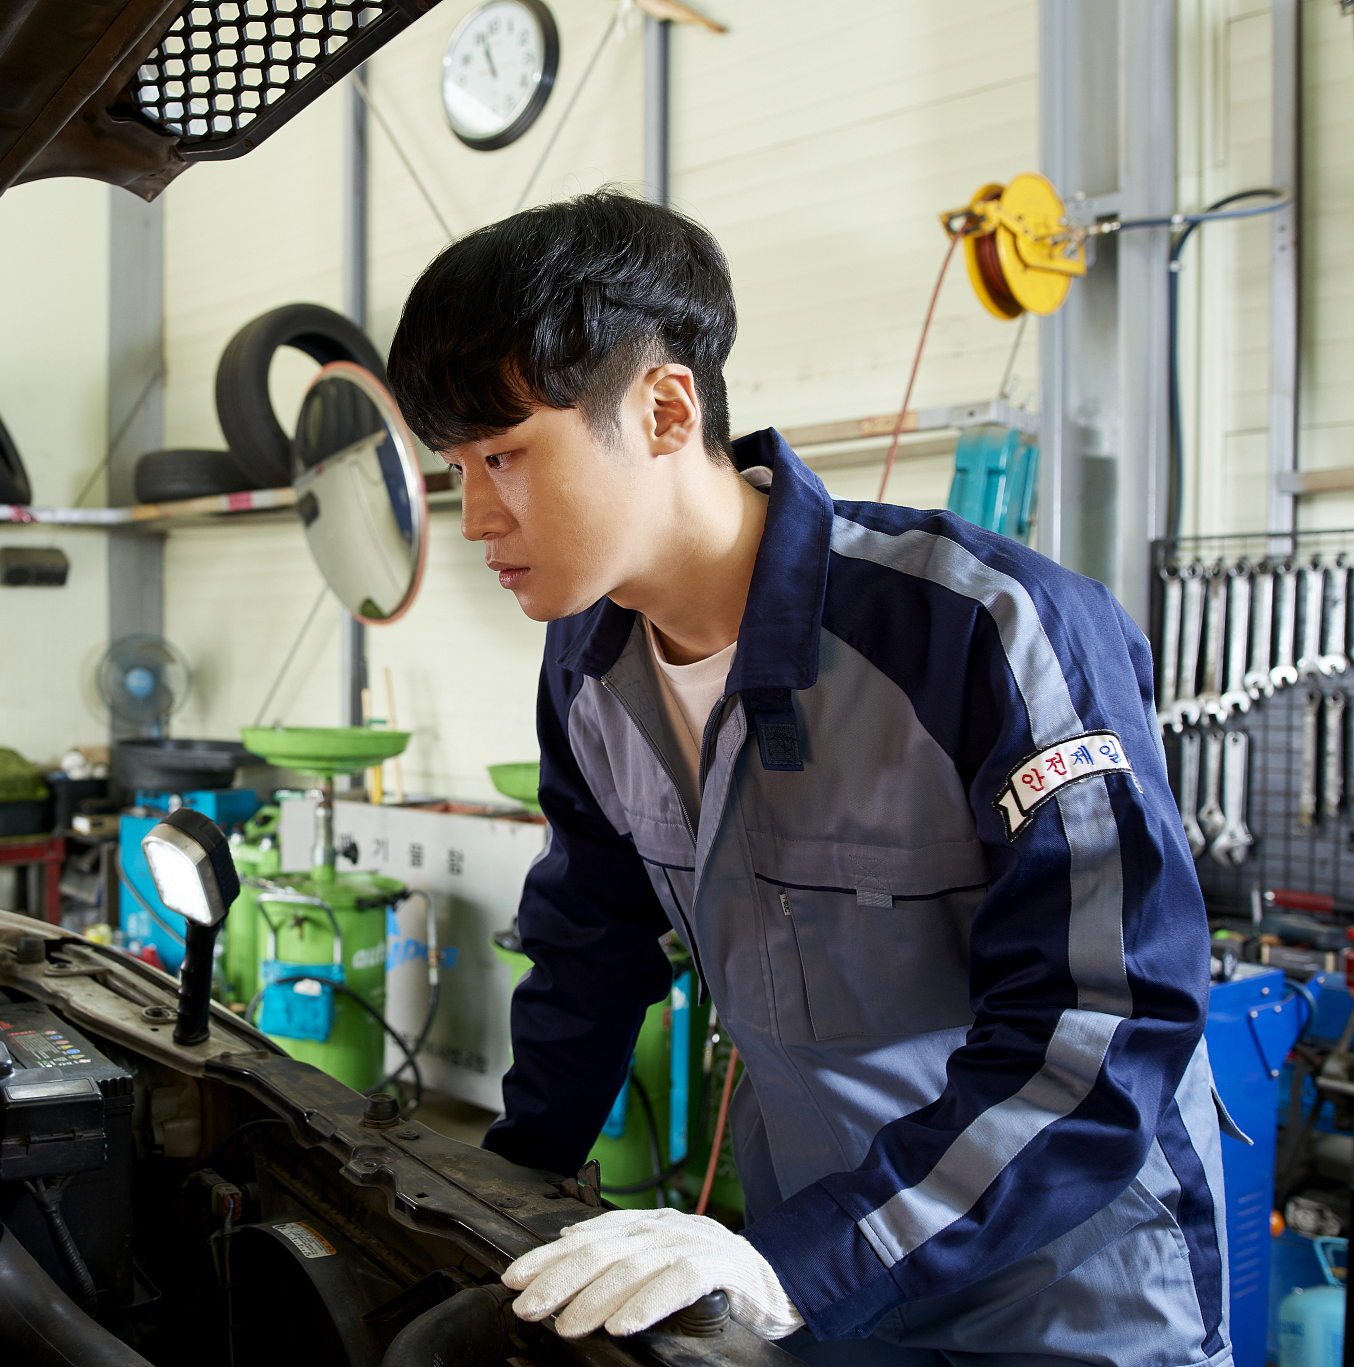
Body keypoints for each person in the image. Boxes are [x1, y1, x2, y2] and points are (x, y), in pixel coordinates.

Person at [386, 190, 1228, 1366]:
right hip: (815, 1285)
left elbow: (1099, 1029)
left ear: (664, 409)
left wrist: (802, 1261)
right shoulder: (586, 664)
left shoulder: (984, 631)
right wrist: (500, 1195)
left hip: (1068, 1300)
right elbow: (588, 947)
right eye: (453, 466)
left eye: (503, 455)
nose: (473, 515)